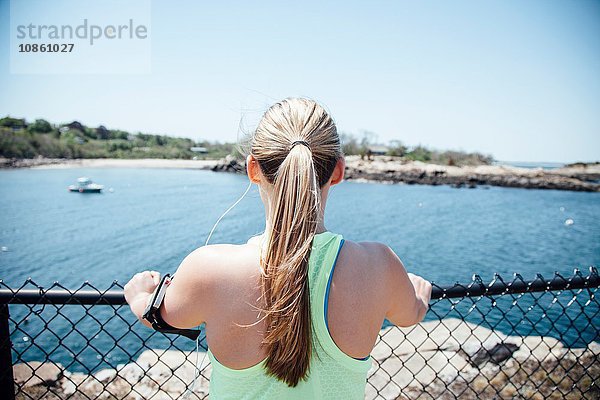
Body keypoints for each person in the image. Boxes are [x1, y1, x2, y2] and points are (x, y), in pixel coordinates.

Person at [124, 97, 432, 399]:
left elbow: (161, 315)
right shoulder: (380, 265)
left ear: (253, 169)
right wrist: (418, 293)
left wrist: (140, 296)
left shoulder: (209, 268)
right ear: (338, 172)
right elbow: (410, 315)